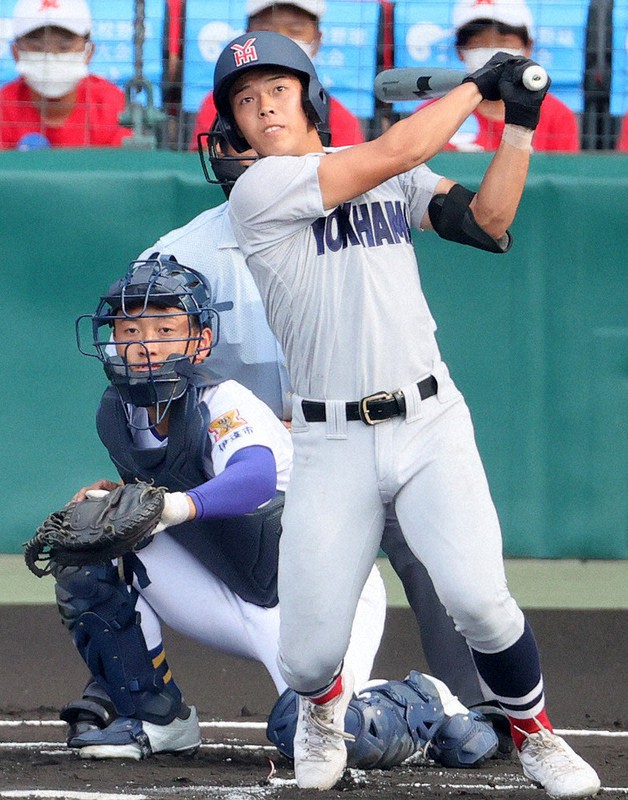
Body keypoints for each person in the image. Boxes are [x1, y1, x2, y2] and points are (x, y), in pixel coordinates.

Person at [212, 29, 601, 796]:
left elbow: (488, 223)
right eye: (246, 102)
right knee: (309, 657)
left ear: (309, 96)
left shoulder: (393, 170)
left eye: (276, 91)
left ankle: (536, 735)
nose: (262, 109)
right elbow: (387, 155)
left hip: (429, 423)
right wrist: (476, 87)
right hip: (329, 439)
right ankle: (323, 714)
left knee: (481, 602)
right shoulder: (260, 191)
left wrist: (516, 122)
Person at [145, 120, 513, 758]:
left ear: (309, 126)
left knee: (435, 551)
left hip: (367, 428)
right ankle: (134, 700)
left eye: (264, 119)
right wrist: (258, 429)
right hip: (261, 463)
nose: (249, 146)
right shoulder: (178, 254)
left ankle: (479, 708)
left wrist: (515, 127)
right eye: (235, 132)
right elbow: (154, 376)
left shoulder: (363, 196)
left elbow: (485, 222)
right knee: (120, 531)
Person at [55, 255, 498, 770]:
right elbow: (160, 487)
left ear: (199, 341)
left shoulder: (222, 401)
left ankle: (429, 699)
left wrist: (172, 505)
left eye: (164, 327)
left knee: (312, 733)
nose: (144, 342)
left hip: (318, 597)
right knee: (86, 545)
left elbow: (253, 480)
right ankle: (157, 717)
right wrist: (119, 498)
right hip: (225, 584)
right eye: (130, 327)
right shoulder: (116, 412)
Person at [190, 0, 364, 149]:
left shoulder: (340, 118)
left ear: (317, 40)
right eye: (267, 30)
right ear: (247, 34)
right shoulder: (218, 104)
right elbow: (202, 169)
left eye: (295, 30)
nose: (280, 40)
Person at [433, 0, 579, 152]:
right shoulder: (434, 112)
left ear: (528, 46)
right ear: (459, 51)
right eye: (478, 43)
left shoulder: (557, 116)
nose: (492, 53)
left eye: (504, 41)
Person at [0, 0, 132, 149]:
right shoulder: (3, 109)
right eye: (37, 48)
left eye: (64, 48)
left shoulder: (114, 109)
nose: (49, 57)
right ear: (15, 53)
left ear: (89, 52)